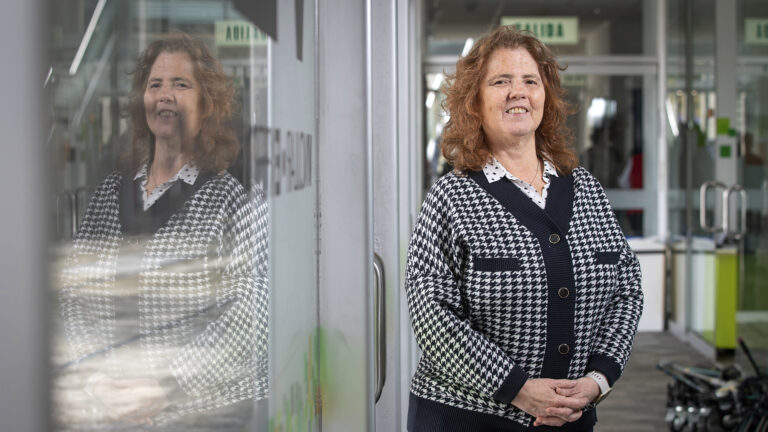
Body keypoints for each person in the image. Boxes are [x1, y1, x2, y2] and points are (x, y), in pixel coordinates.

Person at [405, 26, 643, 432]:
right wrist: (516, 388)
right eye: (501, 81)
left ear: (544, 96)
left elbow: (626, 289)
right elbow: (432, 315)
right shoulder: (450, 198)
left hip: (572, 418)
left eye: (530, 81)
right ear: (475, 103)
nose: (519, 92)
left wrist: (598, 379)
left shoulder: (585, 188)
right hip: (467, 419)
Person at [59, 32, 268, 430]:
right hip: (112, 413)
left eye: (180, 84)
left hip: (201, 416)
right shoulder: (110, 193)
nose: (164, 95)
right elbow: (75, 289)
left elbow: (254, 311)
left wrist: (166, 386)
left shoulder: (233, 196)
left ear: (207, 103)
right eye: (155, 84)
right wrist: (96, 378)